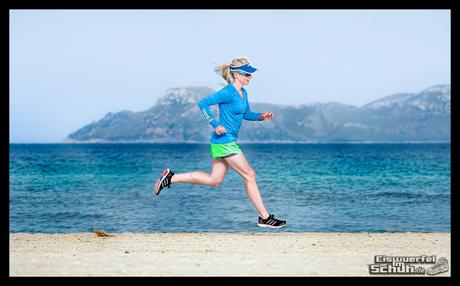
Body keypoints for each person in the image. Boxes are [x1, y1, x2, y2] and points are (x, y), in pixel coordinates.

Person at [154, 57, 286, 228]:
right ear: (237, 75)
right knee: (249, 175)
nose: (250, 77)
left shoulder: (243, 93)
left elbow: (246, 114)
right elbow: (203, 104)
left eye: (251, 74)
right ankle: (264, 217)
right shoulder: (228, 92)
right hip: (225, 142)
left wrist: (261, 116)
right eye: (247, 74)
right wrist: (215, 124)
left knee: (215, 180)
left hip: (223, 142)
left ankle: (171, 178)